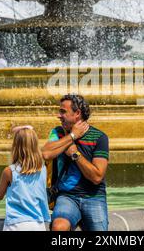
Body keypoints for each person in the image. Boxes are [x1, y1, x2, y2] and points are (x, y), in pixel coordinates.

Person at [41, 94, 109, 231]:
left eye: (63, 111)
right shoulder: (58, 133)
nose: (59, 115)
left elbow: (97, 177)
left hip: (94, 197)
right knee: (58, 227)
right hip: (67, 197)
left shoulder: (99, 137)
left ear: (77, 113)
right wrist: (72, 136)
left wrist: (75, 154)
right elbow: (45, 153)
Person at [0, 125, 51, 231]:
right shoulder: (43, 169)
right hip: (37, 224)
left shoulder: (9, 171)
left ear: (15, 146)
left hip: (15, 224)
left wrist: (0, 189)